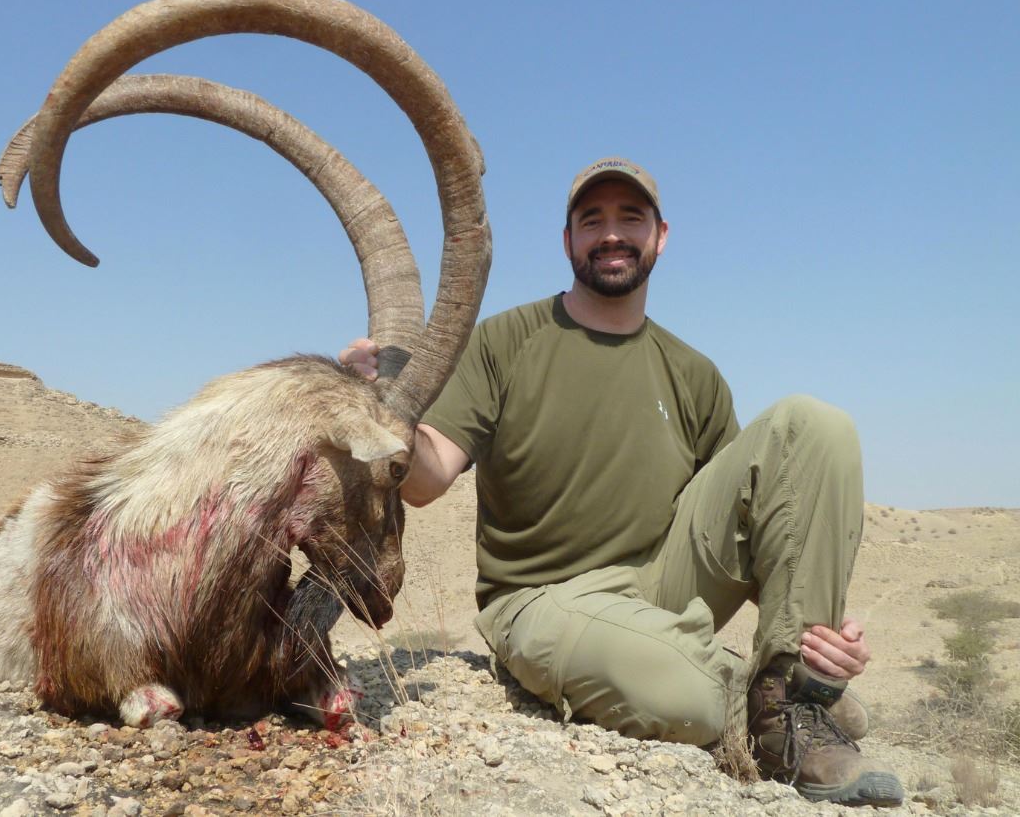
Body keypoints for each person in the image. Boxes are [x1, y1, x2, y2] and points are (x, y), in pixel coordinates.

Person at [340, 157, 903, 807]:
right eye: (592, 220)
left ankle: (796, 698)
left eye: (630, 218)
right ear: (568, 241)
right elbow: (426, 478)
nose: (611, 233)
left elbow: (756, 526)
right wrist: (381, 405)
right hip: (541, 599)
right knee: (689, 696)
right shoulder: (505, 341)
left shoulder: (694, 373)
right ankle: (769, 694)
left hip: (661, 585)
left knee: (816, 425)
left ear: (660, 235)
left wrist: (818, 636)